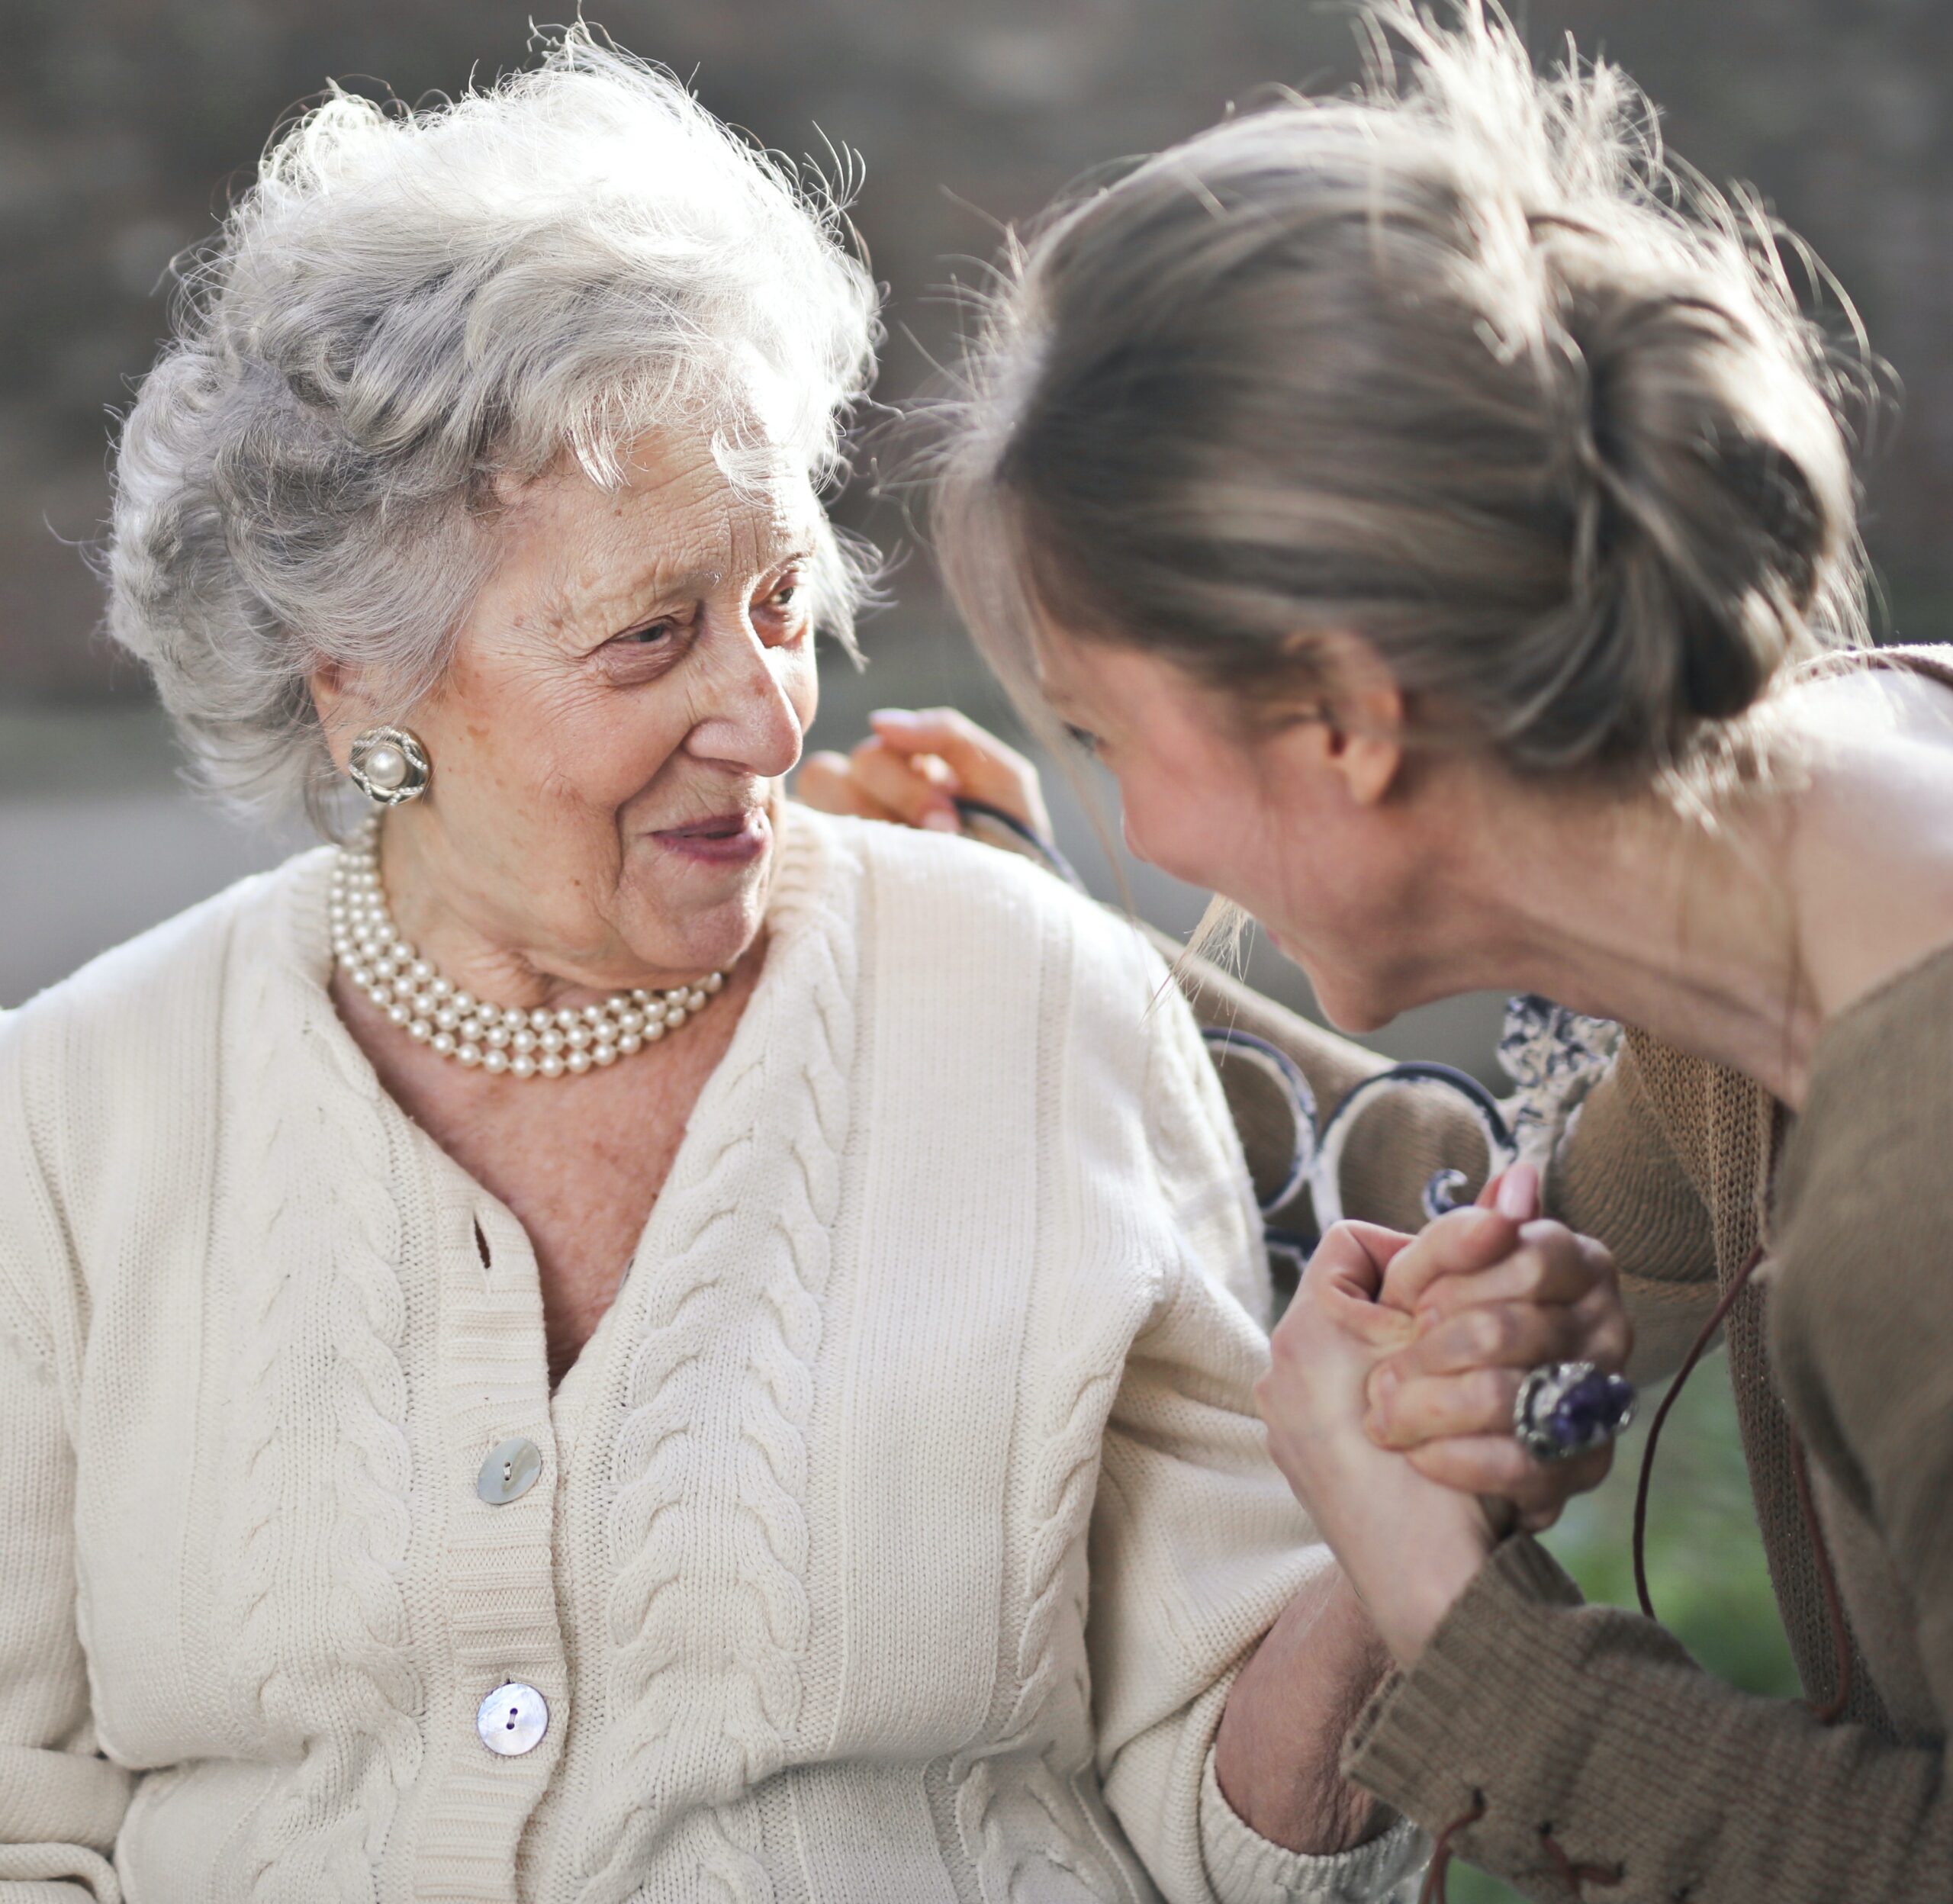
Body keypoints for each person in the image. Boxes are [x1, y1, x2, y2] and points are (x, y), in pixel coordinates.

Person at [0, 32, 1628, 1904]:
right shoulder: (66, 1118)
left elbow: (1230, 1830)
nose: (769, 716)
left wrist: (1382, 1542)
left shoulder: (1029, 1011)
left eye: (780, 602)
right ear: (357, 677)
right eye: (647, 638)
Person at [806, 5, 1953, 1899]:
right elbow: (1463, 1211)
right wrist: (1002, 917)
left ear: (1338, 717)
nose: (1143, 829)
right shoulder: (1803, 845)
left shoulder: (1921, 1171)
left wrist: (1445, 1606)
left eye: (1107, 740)